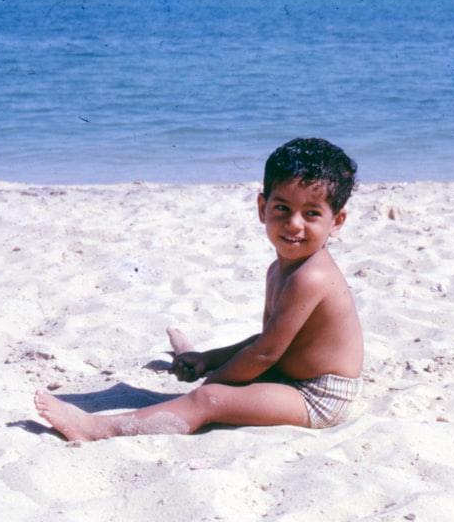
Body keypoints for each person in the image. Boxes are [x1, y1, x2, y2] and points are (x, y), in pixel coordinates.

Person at [33, 138, 364, 442]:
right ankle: (194, 360)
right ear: (262, 207)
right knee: (221, 382)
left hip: (318, 396)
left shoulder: (311, 277)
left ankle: (97, 428)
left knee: (208, 401)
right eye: (282, 208)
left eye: (311, 214)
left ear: (336, 222)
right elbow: (265, 341)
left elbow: (265, 354)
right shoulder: (280, 269)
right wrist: (209, 359)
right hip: (285, 373)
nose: (294, 223)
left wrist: (215, 382)